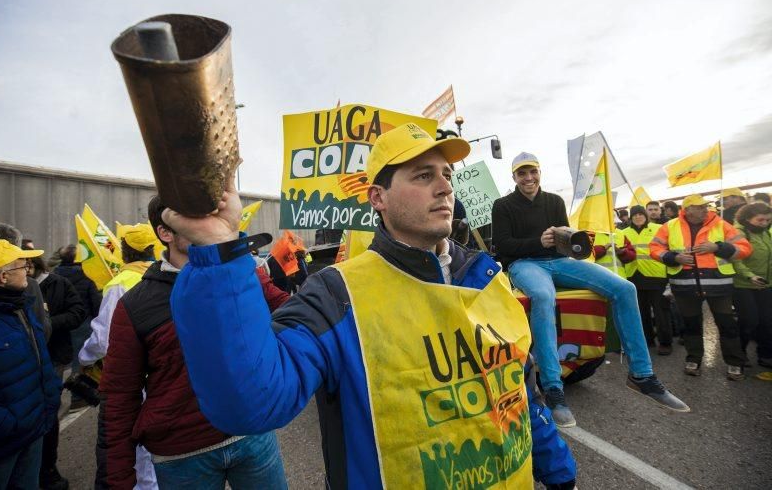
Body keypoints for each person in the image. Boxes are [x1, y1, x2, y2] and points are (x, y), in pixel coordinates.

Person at [166, 124, 577, 489]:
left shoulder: (491, 280)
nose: (445, 187)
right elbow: (252, 403)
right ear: (377, 197)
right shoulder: (336, 294)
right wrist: (219, 256)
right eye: (423, 175)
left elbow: (520, 393)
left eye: (447, 175)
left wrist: (560, 473)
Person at [97, 197, 287, 489]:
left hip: (253, 435)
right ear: (166, 232)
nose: (207, 226)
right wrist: (118, 478)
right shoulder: (134, 305)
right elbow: (120, 395)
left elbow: (288, 313)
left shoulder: (241, 274)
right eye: (193, 218)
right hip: (183, 455)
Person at [491, 152, 688, 428]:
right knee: (544, 296)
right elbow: (502, 247)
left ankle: (642, 375)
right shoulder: (503, 205)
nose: (528, 178)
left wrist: (567, 238)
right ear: (514, 177)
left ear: (539, 172)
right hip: (525, 264)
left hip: (559, 261)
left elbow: (564, 246)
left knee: (625, 288)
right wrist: (538, 241)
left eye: (532, 172)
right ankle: (553, 388)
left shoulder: (554, 201)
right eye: (522, 173)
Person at [0, 240, 60, 489]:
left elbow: (38, 357)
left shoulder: (17, 306)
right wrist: (8, 423)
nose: (29, 269)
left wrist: (49, 397)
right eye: (23, 265)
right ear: (2, 276)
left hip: (31, 431)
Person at [78, 223, 158, 490]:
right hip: (160, 374)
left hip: (129, 380)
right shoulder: (168, 277)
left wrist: (85, 359)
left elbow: (104, 339)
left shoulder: (120, 283)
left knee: (128, 450)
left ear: (125, 252)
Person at [650, 194, 751, 379]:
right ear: (687, 210)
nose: (705, 209)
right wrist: (674, 258)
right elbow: (654, 249)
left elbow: (744, 248)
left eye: (705, 206)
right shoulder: (669, 226)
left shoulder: (721, 224)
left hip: (719, 285)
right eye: (699, 207)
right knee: (691, 325)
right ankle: (694, 359)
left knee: (727, 325)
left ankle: (735, 363)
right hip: (684, 286)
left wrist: (718, 248)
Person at [30, 253, 86, 490]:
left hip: (53, 355)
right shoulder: (10, 290)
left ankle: (47, 469)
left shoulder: (58, 283)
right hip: (25, 360)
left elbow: (77, 312)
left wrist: (50, 323)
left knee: (48, 410)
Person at [0, 223, 51, 336]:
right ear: (3, 276)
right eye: (24, 266)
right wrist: (45, 312)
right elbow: (42, 331)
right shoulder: (26, 285)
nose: (26, 270)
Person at [53, 244, 102, 411]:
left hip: (62, 323)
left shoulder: (55, 275)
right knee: (80, 360)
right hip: (83, 323)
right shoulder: (86, 275)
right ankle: (78, 397)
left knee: (60, 361)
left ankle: (53, 398)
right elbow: (96, 303)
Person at [623, 206, 672, 354]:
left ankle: (665, 342)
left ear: (645, 215)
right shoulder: (624, 232)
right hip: (634, 276)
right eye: (634, 215)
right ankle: (647, 339)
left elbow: (668, 250)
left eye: (640, 214)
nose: (638, 217)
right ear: (631, 217)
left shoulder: (659, 228)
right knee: (641, 312)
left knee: (661, 312)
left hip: (656, 276)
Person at [731, 202, 772, 367]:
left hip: (766, 284)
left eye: (768, 220)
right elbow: (736, 260)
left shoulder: (766, 233)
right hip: (743, 285)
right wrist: (750, 276)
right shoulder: (739, 233)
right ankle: (739, 353)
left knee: (767, 321)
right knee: (749, 321)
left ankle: (765, 354)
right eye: (760, 220)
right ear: (747, 218)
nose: (765, 223)